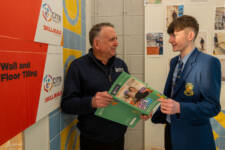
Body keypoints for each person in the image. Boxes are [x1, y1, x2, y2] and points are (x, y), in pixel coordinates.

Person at [61, 22, 151, 150]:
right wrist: (91, 102)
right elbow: (67, 104)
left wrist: (141, 110)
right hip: (92, 141)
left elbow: (129, 97)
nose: (116, 43)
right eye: (112, 40)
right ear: (97, 44)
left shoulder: (120, 64)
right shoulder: (78, 67)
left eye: (116, 39)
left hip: (118, 137)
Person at [151, 15, 221, 150]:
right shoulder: (173, 62)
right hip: (171, 133)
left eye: (174, 35)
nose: (170, 40)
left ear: (190, 36)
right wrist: (149, 108)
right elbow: (171, 97)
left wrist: (179, 108)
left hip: (194, 138)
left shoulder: (208, 63)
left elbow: (212, 106)